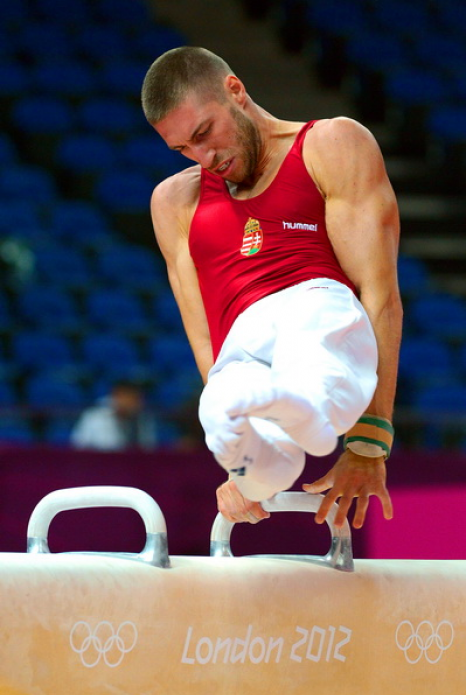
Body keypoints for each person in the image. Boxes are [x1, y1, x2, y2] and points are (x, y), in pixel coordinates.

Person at [141, 47, 402, 529]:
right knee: (220, 411)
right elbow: (206, 339)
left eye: (204, 133)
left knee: (313, 350)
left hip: (314, 307)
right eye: (183, 150)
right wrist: (238, 465)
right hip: (244, 344)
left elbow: (380, 294)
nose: (205, 157)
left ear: (235, 90)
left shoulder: (331, 145)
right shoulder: (174, 201)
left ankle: (305, 410)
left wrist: (369, 439)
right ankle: (264, 460)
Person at [71, 381, 157, 451]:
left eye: (136, 399)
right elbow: (78, 447)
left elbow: (148, 450)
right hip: (97, 464)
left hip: (133, 465)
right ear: (116, 396)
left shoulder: (144, 420)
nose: (131, 403)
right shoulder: (93, 417)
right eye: (128, 397)